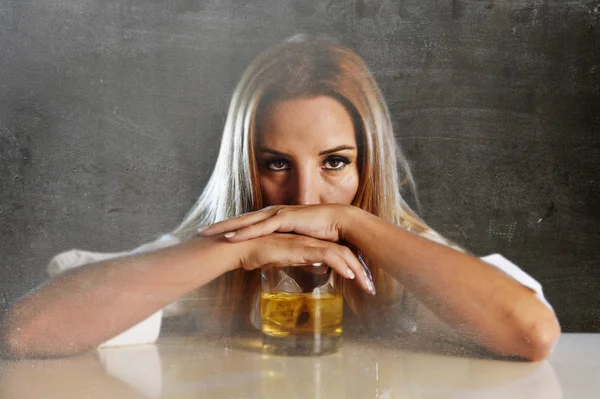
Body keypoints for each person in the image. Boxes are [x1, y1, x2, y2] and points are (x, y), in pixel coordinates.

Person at [0, 34, 560, 360]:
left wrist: (353, 223)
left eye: (335, 163)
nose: (305, 197)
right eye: (275, 165)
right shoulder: (212, 255)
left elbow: (531, 332)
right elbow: (27, 332)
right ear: (244, 169)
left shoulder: (403, 255)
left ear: (371, 167)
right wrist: (237, 252)